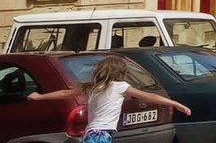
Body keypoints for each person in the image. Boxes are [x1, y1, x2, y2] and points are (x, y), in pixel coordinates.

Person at [28, 53, 191, 143]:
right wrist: (174, 103)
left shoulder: (92, 86)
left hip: (92, 133)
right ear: (120, 72)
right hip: (100, 134)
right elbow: (149, 96)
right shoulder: (120, 86)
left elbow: (63, 93)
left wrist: (38, 96)